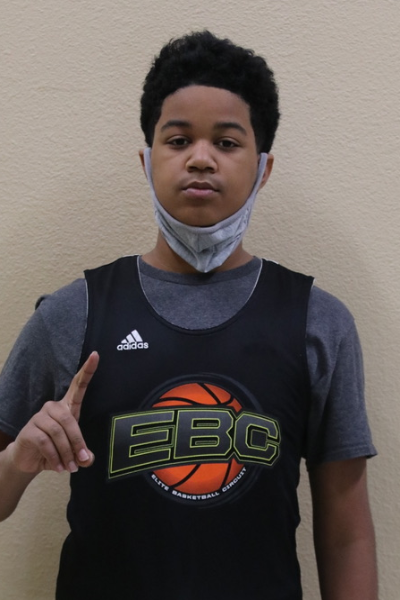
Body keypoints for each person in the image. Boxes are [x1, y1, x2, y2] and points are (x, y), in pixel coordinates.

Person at [0, 30, 377, 600]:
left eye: (226, 142)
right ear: (147, 160)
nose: (201, 158)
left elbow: (347, 534)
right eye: (178, 140)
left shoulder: (318, 323)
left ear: (263, 167)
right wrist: (18, 462)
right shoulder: (73, 312)